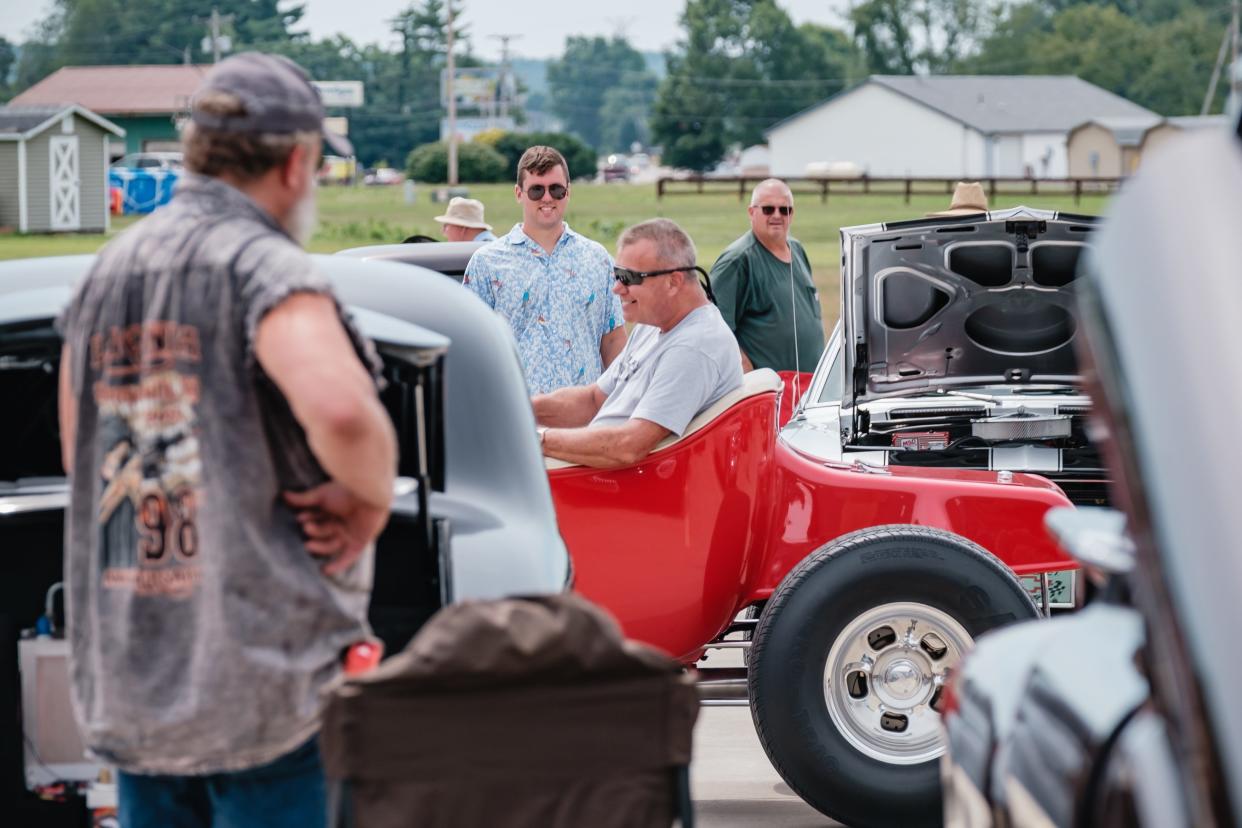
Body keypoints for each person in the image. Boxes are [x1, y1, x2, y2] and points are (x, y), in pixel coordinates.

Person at [56, 52, 397, 828]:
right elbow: (342, 413)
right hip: (262, 691)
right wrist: (368, 503)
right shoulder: (262, 267)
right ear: (296, 161)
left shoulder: (105, 272)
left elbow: (83, 457)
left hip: (138, 683)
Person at [532, 219, 742, 468]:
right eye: (616, 274)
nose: (617, 288)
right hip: (598, 476)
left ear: (673, 281)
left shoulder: (694, 346)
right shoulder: (653, 324)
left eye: (629, 277)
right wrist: (518, 408)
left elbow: (627, 447)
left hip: (617, 488)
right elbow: (593, 400)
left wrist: (533, 439)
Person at [463, 145, 626, 394]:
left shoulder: (598, 259)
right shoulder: (486, 263)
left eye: (556, 189)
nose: (547, 198)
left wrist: (620, 407)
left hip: (586, 423)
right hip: (517, 417)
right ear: (519, 193)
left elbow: (613, 341)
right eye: (536, 190)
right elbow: (472, 349)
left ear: (568, 192)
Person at [709, 178, 824, 374]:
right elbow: (715, 328)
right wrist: (744, 366)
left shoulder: (797, 249)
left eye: (784, 209)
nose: (777, 215)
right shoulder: (737, 260)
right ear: (751, 212)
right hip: (771, 393)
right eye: (768, 209)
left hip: (807, 386)